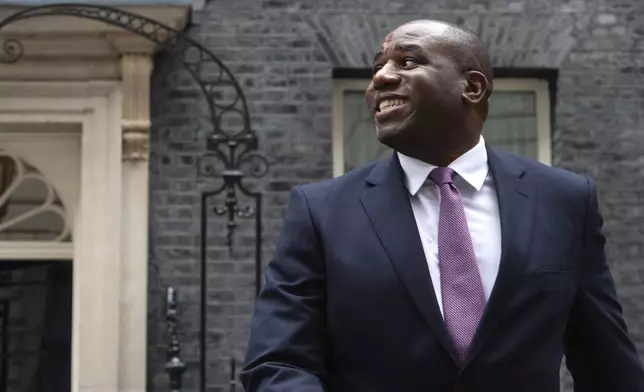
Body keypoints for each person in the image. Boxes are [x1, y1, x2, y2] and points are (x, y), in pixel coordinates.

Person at [240, 19, 644, 392]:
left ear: (472, 87)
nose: (380, 77)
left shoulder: (565, 200)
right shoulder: (320, 212)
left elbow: (605, 361)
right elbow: (279, 361)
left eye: (408, 61)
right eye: (378, 66)